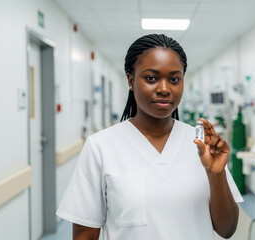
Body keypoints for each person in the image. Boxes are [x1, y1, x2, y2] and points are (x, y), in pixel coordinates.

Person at [56, 34, 243, 240]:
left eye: (174, 79)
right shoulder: (101, 146)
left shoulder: (202, 146)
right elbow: (85, 233)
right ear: (131, 80)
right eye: (151, 78)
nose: (164, 89)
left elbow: (227, 230)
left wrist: (216, 175)